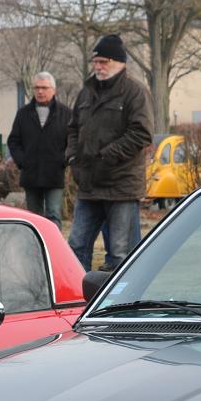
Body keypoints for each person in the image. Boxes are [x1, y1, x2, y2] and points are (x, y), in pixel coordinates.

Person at [65, 34, 153, 272]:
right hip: (88, 184)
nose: (98, 67)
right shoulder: (86, 92)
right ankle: (78, 293)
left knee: (120, 254)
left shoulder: (135, 92)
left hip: (121, 185)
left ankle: (123, 296)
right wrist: (72, 158)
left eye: (104, 62)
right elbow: (72, 128)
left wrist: (106, 156)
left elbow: (142, 134)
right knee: (76, 246)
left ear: (120, 63)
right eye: (95, 62)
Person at [7, 72, 71, 227]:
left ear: (53, 90)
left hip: (54, 174)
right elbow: (13, 141)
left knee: (54, 215)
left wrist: (63, 161)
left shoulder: (66, 113)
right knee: (33, 218)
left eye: (44, 88)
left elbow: (74, 142)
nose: (40, 91)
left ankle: (53, 243)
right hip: (31, 174)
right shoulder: (23, 113)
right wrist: (23, 161)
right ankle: (35, 244)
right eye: (37, 88)